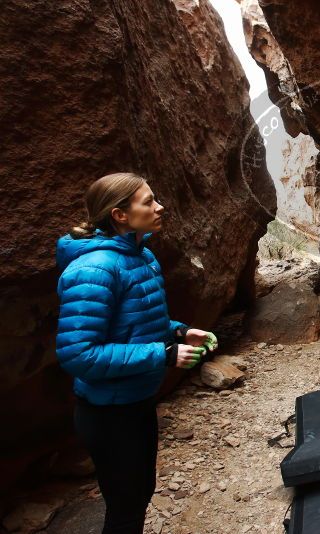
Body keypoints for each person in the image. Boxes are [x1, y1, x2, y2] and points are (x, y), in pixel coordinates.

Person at [55, 172, 218, 533]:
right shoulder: (94, 269)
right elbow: (79, 354)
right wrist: (163, 354)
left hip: (136, 401)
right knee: (125, 510)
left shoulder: (140, 255)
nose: (160, 207)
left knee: (139, 495)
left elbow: (136, 320)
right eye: (148, 202)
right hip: (107, 413)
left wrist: (179, 330)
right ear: (120, 216)